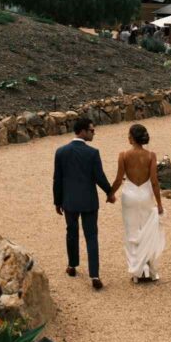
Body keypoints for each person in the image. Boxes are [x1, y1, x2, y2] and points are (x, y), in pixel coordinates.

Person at [53, 118, 115, 290]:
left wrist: (57, 201)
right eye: (92, 130)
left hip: (69, 201)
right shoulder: (92, 153)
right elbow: (99, 177)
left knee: (71, 233)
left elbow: (57, 179)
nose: (94, 133)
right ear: (82, 131)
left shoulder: (61, 152)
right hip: (89, 201)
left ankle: (72, 265)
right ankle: (94, 274)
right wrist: (110, 192)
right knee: (91, 236)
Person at [109, 124, 165, 283]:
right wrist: (159, 203)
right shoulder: (151, 156)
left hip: (130, 195)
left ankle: (137, 271)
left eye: (128, 135)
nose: (127, 137)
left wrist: (110, 193)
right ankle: (148, 268)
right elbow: (154, 182)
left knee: (132, 231)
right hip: (146, 195)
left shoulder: (123, 155)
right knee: (146, 231)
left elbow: (119, 179)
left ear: (133, 138)